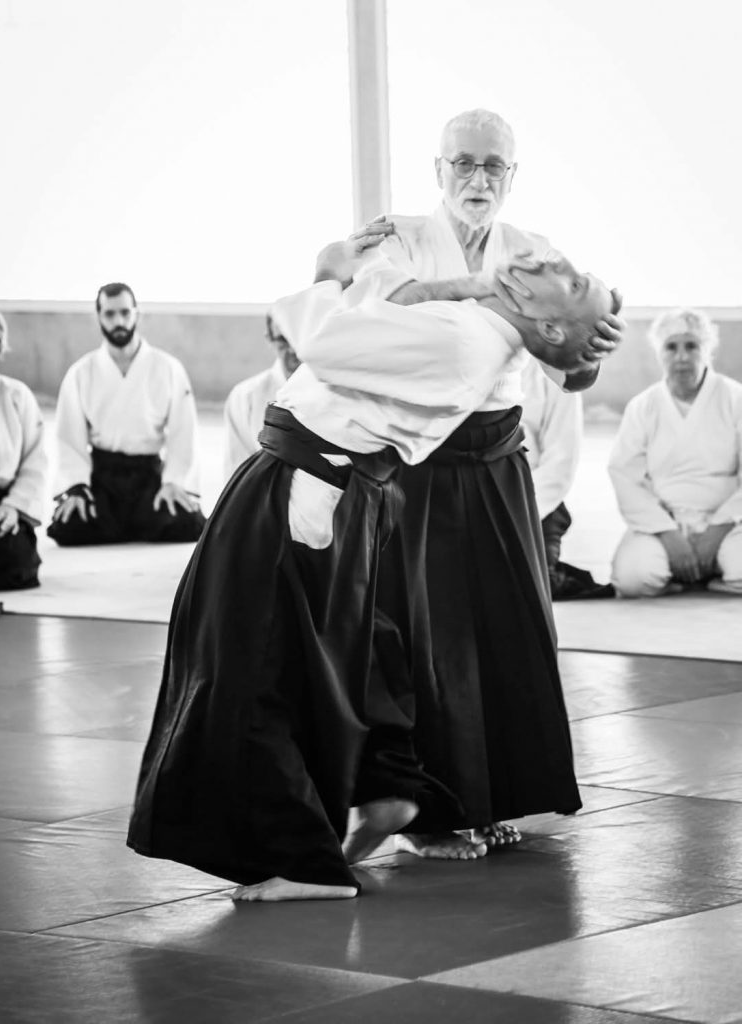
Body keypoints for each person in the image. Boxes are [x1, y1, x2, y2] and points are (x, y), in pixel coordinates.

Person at [128, 224, 617, 903]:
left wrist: (325, 272)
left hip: (305, 482)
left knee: (248, 659)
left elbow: (326, 344)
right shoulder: (475, 325)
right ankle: (387, 786)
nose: (557, 260)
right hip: (334, 486)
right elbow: (390, 307)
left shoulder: (466, 342)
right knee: (337, 652)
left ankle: (305, 864)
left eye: (573, 279)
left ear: (549, 321)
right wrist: (458, 282)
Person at [353, 108, 624, 859]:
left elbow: (568, 373)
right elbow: (379, 304)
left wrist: (591, 350)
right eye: (464, 163)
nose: (478, 178)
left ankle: (495, 799)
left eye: (493, 165)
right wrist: (479, 287)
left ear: (512, 175)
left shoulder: (533, 251)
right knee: (429, 636)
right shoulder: (399, 237)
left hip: (500, 456)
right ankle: (431, 819)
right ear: (438, 169)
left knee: (514, 625)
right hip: (418, 457)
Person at [47, 283, 206, 546]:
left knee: (189, 525)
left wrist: (174, 482)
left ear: (136, 314)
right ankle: (131, 523)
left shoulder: (167, 367)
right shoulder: (81, 372)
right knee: (68, 527)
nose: (118, 321)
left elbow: (183, 432)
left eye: (125, 312)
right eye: (110, 314)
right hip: (103, 476)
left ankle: (125, 523)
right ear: (99, 317)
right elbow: (69, 438)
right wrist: (76, 486)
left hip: (149, 476)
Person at [609, 308, 742, 597]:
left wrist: (717, 530)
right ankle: (699, 572)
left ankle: (713, 570)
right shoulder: (643, 406)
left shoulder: (735, 399)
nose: (682, 357)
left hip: (730, 523)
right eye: (671, 347)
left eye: (691, 346)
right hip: (663, 523)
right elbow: (625, 475)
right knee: (634, 579)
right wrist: (668, 534)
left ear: (707, 350)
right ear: (660, 353)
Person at [520, 358, 614, 599]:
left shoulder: (555, 369)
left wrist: (517, 512)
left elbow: (560, 465)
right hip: (470, 493)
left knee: (527, 589)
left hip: (533, 502)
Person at [0, 304, 46, 592]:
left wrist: (14, 506)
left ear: (0, 345)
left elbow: (35, 460)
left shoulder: (17, 395)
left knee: (17, 569)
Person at [222, 313, 300, 478]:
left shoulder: (334, 392)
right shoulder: (245, 397)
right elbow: (237, 468)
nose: (293, 349)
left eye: (298, 337)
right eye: (283, 340)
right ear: (269, 339)